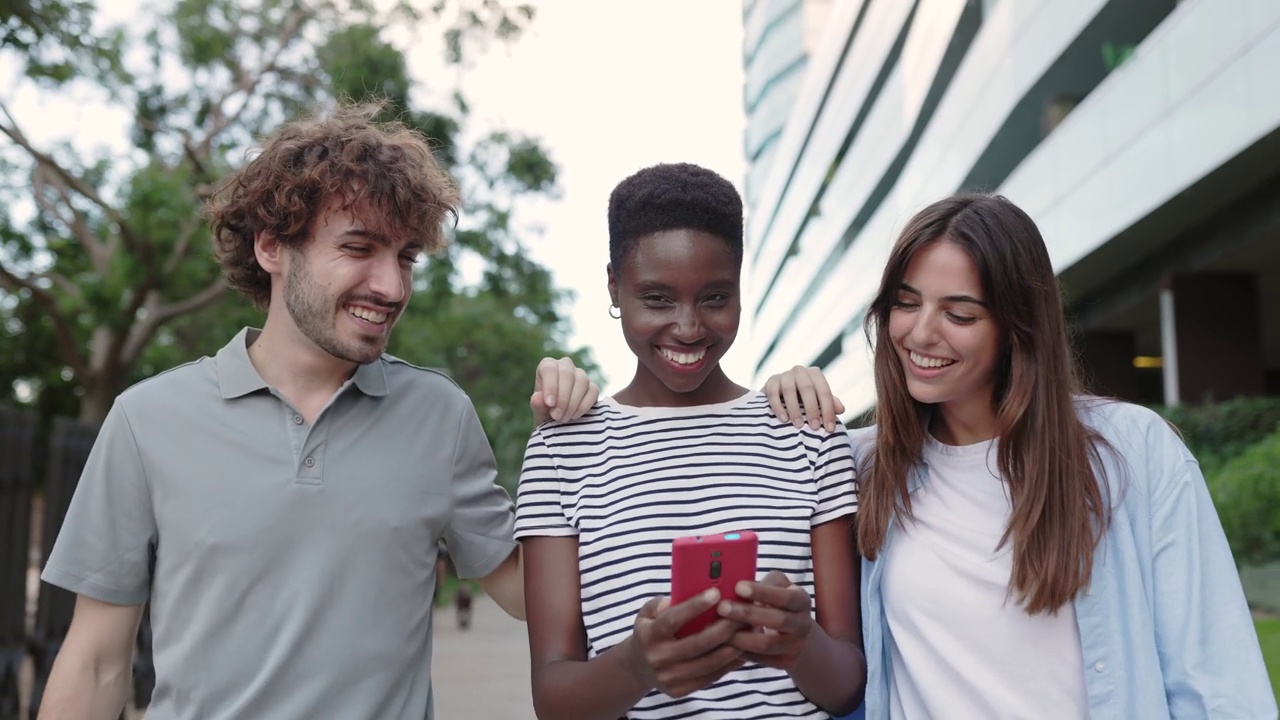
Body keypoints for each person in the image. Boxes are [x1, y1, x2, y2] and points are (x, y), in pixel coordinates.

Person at [37, 104, 552, 720]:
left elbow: (529, 595)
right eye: (358, 248)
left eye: (406, 258)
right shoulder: (146, 420)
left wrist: (565, 443)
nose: (391, 286)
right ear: (271, 247)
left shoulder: (439, 416)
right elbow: (96, 662)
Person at [761, 193, 1275, 718]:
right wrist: (778, 396)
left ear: (1016, 328)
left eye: (959, 313)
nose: (919, 333)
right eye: (906, 303)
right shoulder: (860, 467)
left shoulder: (1133, 450)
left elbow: (1216, 681)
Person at [515, 163, 866, 720]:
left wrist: (802, 643)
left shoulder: (808, 435)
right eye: (657, 299)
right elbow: (553, 697)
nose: (687, 327)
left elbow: (846, 682)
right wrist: (637, 666)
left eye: (715, 297)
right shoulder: (563, 452)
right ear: (614, 286)